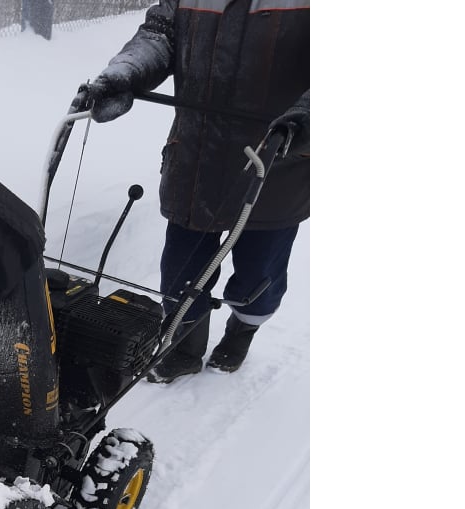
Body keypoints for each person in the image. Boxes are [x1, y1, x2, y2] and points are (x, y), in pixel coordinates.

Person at [76, 0, 309, 383]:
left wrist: (307, 120)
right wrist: (124, 74)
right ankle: (183, 348)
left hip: (275, 166)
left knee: (258, 278)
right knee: (181, 271)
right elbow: (160, 35)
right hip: (195, 161)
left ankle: (242, 331)